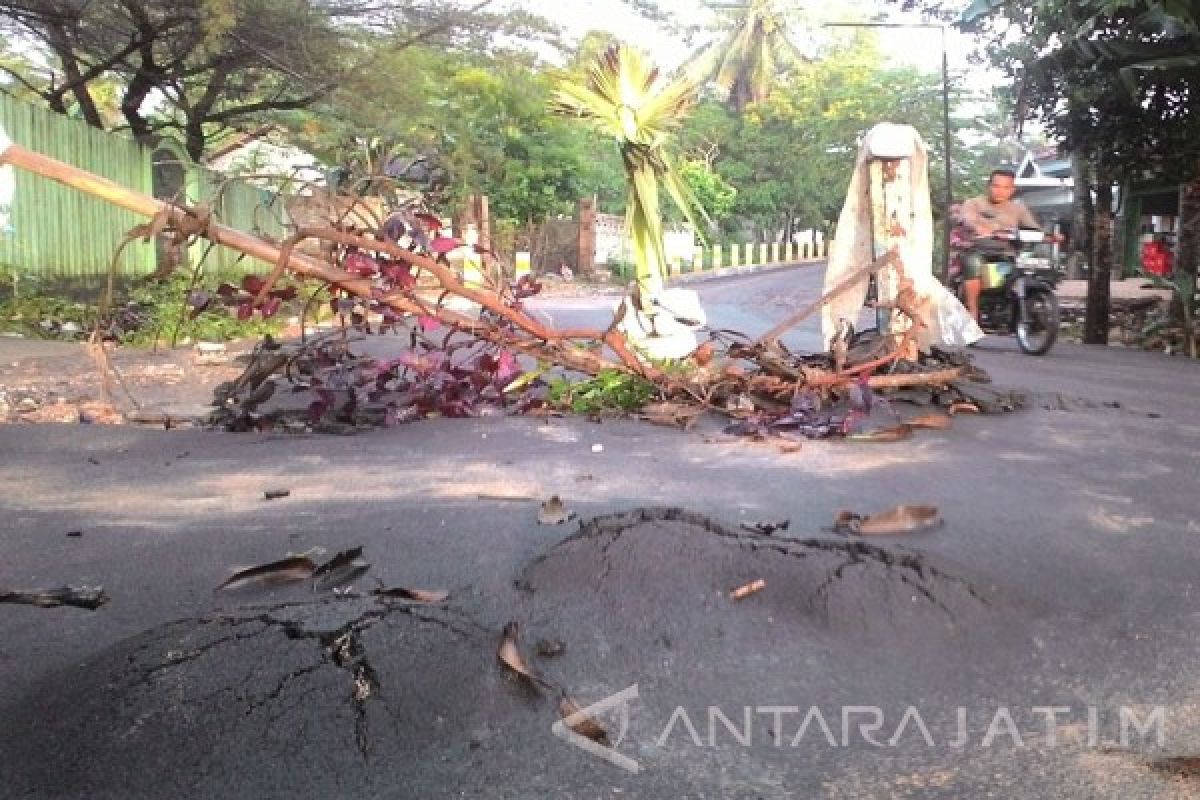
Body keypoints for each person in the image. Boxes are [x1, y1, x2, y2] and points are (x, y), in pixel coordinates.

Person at [958, 168, 1052, 323]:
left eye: (1006, 187)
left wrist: (1048, 237)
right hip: (979, 250)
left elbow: (1034, 228)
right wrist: (978, 228)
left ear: (1012, 190)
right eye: (996, 186)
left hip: (1007, 253)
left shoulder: (1018, 208)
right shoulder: (973, 203)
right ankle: (972, 313)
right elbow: (967, 219)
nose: (1000, 191)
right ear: (988, 186)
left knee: (1029, 268)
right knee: (973, 262)